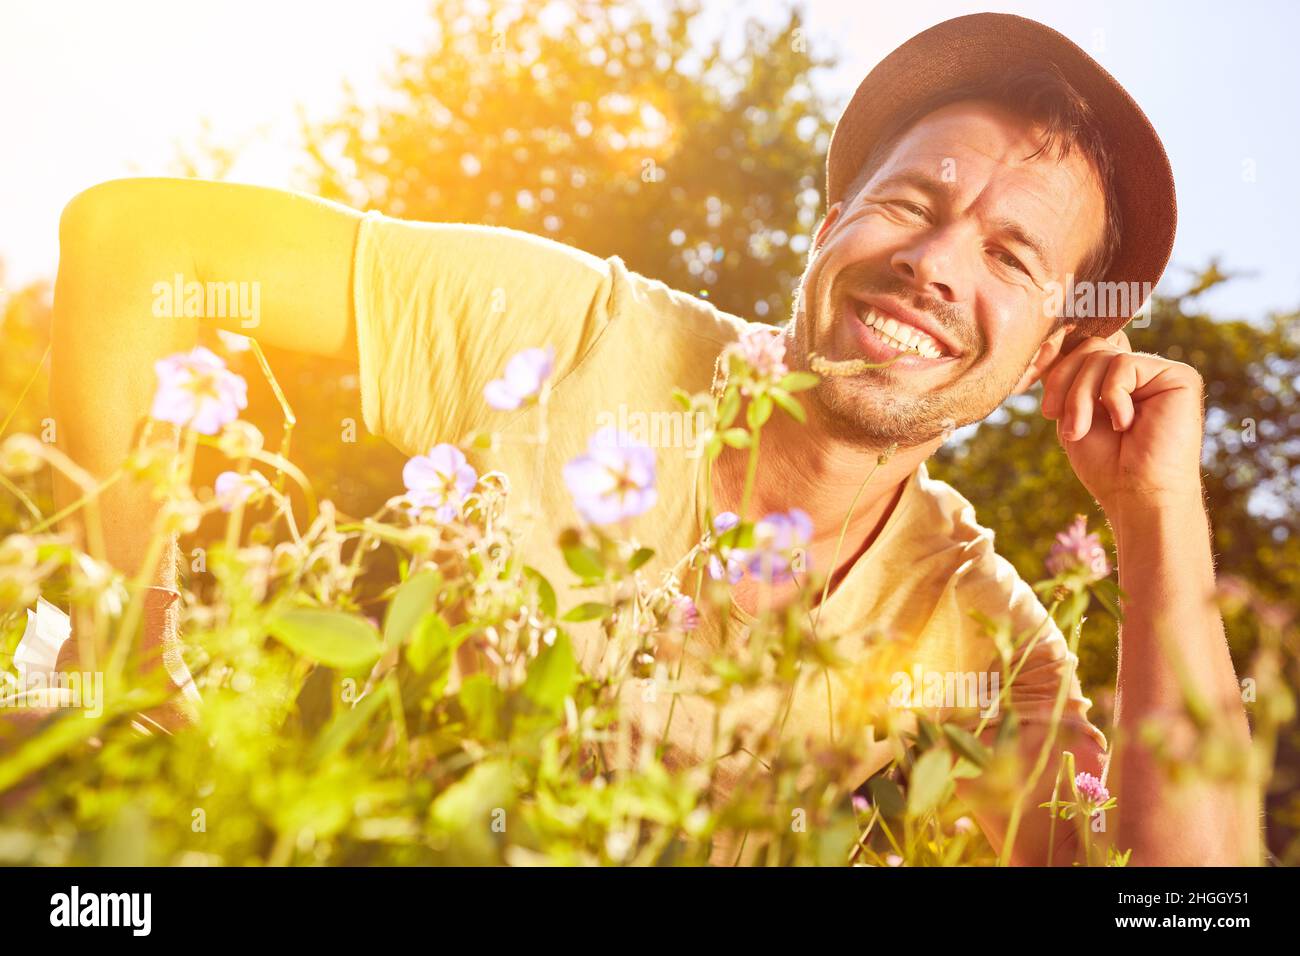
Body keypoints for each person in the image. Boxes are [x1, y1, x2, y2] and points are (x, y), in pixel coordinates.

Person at [48, 14, 1257, 865]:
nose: (932, 265)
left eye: (1008, 256)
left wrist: (1156, 524)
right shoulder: (571, 328)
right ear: (830, 223)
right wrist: (133, 667)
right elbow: (140, 244)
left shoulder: (972, 626)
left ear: (1049, 350)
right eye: (908, 201)